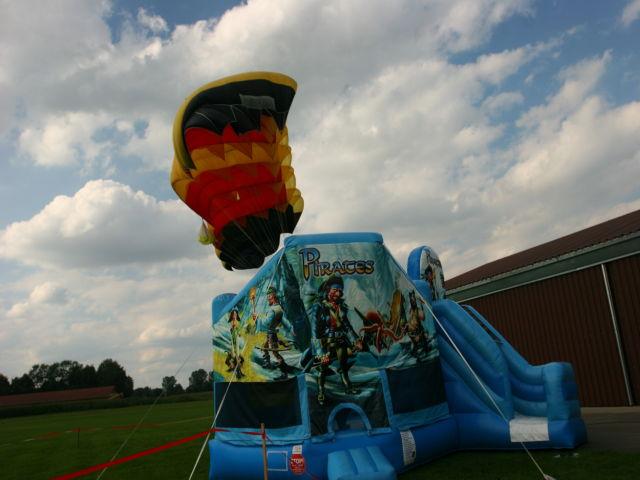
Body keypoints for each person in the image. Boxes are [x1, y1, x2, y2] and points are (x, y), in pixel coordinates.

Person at [310, 275, 362, 404]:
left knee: (343, 366)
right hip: (325, 343)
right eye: (335, 290)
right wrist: (321, 353)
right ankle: (321, 392)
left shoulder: (340, 307)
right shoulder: (319, 306)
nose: (338, 294)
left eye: (340, 291)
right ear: (328, 290)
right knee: (323, 369)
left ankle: (348, 387)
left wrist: (355, 340)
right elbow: (314, 331)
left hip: (340, 341)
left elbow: (347, 327)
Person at [262, 286, 294, 380]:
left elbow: (267, 323)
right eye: (267, 296)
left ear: (273, 296)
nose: (268, 298)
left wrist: (257, 320)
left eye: (269, 296)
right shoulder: (276, 307)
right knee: (264, 346)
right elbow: (284, 321)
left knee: (275, 353)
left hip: (272, 334)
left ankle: (284, 373)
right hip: (270, 333)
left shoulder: (275, 309)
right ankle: (268, 363)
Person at [405, 290, 430, 359]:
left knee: (424, 345)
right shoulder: (410, 311)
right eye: (411, 300)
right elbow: (409, 322)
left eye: (413, 300)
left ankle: (424, 349)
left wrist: (422, 306)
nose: (412, 301)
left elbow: (423, 318)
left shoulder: (417, 310)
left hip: (419, 332)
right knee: (415, 346)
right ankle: (417, 352)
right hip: (413, 333)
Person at [225, 308, 245, 379]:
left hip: (236, 341)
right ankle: (237, 371)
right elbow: (231, 330)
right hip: (232, 341)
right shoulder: (231, 322)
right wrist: (233, 328)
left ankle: (239, 372)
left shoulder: (237, 322)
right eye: (233, 314)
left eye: (235, 314)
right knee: (234, 357)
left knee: (237, 357)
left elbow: (238, 332)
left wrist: (238, 332)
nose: (234, 316)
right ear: (232, 315)